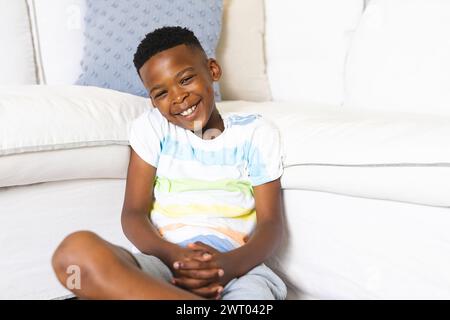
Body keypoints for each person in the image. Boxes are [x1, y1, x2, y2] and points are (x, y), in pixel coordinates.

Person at [51, 26, 287, 300]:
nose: (177, 97)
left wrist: (227, 266)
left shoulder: (256, 133)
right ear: (152, 101)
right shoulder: (152, 129)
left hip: (236, 268)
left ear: (212, 70)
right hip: (164, 264)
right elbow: (133, 214)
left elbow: (271, 225)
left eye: (185, 79)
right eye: (161, 94)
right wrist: (174, 256)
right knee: (73, 256)